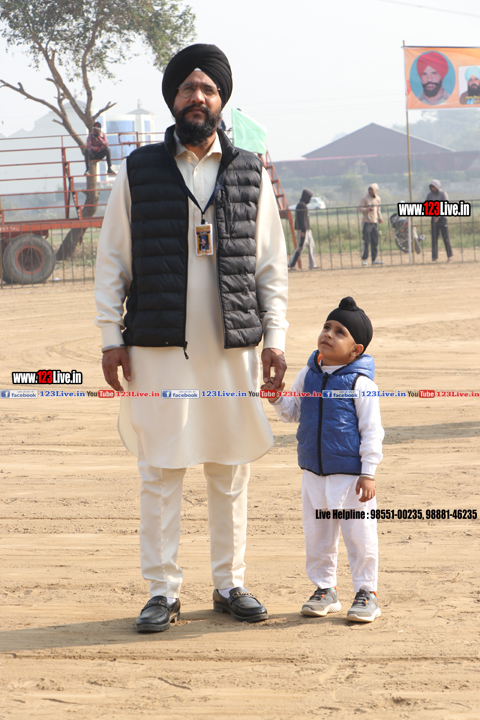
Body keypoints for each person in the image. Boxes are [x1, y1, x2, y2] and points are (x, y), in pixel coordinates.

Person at [94, 43, 289, 633]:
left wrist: (276, 338)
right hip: (158, 347)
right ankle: (162, 591)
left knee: (230, 468)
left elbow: (270, 267)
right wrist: (110, 336)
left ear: (221, 100)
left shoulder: (249, 169)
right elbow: (112, 261)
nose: (197, 97)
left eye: (208, 89)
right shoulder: (139, 171)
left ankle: (230, 583)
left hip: (233, 348)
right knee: (160, 469)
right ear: (172, 99)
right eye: (188, 88)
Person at [266, 296, 383, 622]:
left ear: (356, 350)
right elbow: (292, 412)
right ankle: (325, 590)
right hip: (313, 475)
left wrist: (369, 473)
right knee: (317, 536)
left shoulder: (361, 383)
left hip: (351, 478)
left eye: (340, 332)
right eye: (327, 327)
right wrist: (276, 397)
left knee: (360, 537)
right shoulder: (308, 375)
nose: (329, 334)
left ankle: (367, 593)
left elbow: (372, 432)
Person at [288, 189, 318, 270]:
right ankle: (291, 263)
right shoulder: (302, 205)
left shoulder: (302, 205)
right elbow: (302, 220)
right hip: (303, 230)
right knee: (301, 247)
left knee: (311, 246)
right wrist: (304, 230)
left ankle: (312, 264)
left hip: (307, 230)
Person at [425, 179, 453, 262]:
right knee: (434, 238)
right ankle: (434, 257)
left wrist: (438, 215)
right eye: (431, 187)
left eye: (434, 187)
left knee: (446, 237)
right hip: (433, 218)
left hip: (443, 218)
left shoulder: (443, 194)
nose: (433, 188)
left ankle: (449, 256)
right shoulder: (429, 195)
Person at [359, 184, 383, 266]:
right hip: (366, 222)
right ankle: (365, 259)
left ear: (375, 190)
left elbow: (378, 209)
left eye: (372, 190)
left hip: (374, 222)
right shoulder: (364, 199)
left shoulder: (378, 199)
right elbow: (360, 208)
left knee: (375, 241)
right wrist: (367, 209)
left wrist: (380, 217)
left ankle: (374, 259)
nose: (370, 191)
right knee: (366, 241)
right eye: (369, 189)